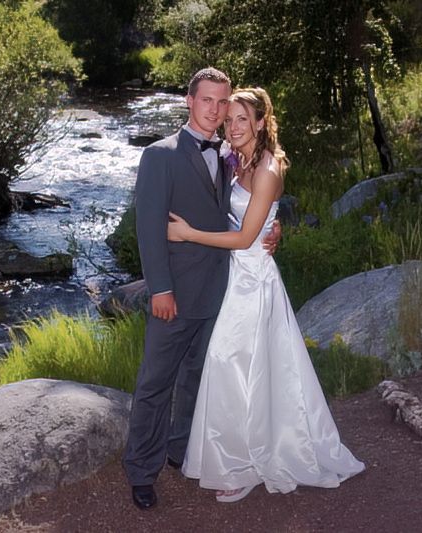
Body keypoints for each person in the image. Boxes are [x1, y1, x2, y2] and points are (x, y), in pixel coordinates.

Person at [168, 87, 366, 503]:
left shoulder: (268, 169)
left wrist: (187, 233)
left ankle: (245, 464)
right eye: (230, 118)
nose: (233, 126)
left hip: (251, 280)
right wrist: (275, 228)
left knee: (234, 364)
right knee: (238, 368)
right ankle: (234, 456)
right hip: (229, 276)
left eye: (243, 118)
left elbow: (243, 238)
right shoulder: (230, 155)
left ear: (261, 122)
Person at [123, 68, 280, 510]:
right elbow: (149, 229)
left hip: (222, 292)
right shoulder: (161, 155)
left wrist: (273, 223)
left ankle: (179, 449)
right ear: (189, 101)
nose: (215, 110)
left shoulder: (233, 152)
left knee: (196, 378)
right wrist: (159, 289)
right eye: (207, 100)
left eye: (222, 103)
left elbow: (249, 205)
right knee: (155, 384)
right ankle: (141, 469)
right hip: (175, 294)